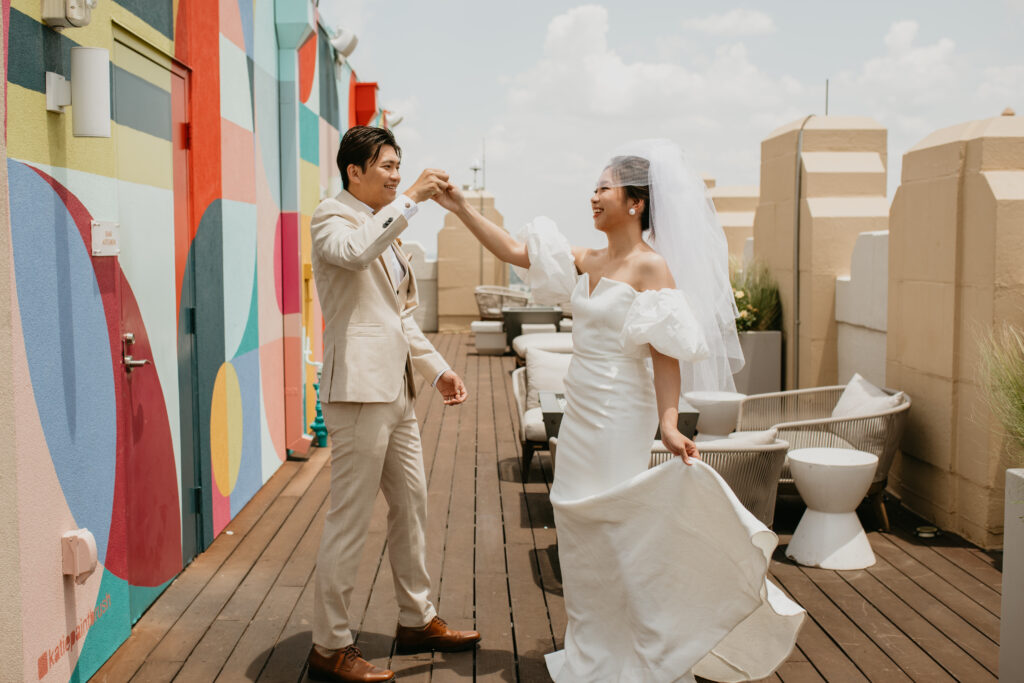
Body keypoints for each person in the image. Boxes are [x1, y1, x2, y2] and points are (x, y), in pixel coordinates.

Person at [435, 139, 804, 682]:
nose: (593, 196)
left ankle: (644, 654)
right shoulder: (589, 258)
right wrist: (462, 208)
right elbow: (517, 251)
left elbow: (666, 356)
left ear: (635, 203)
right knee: (576, 525)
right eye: (595, 187)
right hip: (581, 410)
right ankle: (591, 653)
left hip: (618, 417)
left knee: (612, 529)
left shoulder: (652, 269)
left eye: (603, 187)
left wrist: (670, 423)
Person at [307, 126, 481, 683]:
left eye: (399, 166)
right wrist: (410, 203)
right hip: (357, 392)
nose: (396, 174)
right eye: (385, 165)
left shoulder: (390, 231)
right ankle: (330, 646)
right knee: (350, 519)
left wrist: (439, 371)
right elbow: (356, 254)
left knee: (413, 505)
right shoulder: (331, 218)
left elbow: (401, 317)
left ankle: (416, 617)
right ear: (353, 171)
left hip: (398, 391)